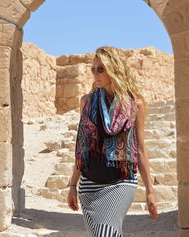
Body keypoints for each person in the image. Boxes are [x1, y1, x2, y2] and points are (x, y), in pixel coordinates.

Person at [67, 46, 158, 237]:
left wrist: (150, 191)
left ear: (115, 69)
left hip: (121, 183)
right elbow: (83, 149)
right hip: (89, 186)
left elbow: (140, 149)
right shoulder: (87, 102)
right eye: (93, 69)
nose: (96, 74)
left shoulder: (135, 105)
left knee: (105, 233)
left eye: (101, 69)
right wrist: (73, 185)